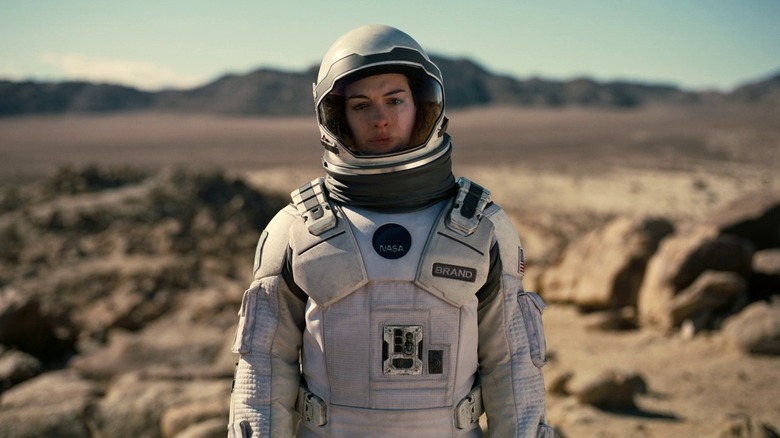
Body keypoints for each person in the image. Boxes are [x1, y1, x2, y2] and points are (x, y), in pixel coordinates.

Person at [228, 24, 553, 437]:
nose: (380, 119)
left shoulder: (482, 228)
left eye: (394, 100)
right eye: (361, 105)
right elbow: (264, 367)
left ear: (421, 106)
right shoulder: (296, 231)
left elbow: (513, 367)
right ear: (337, 117)